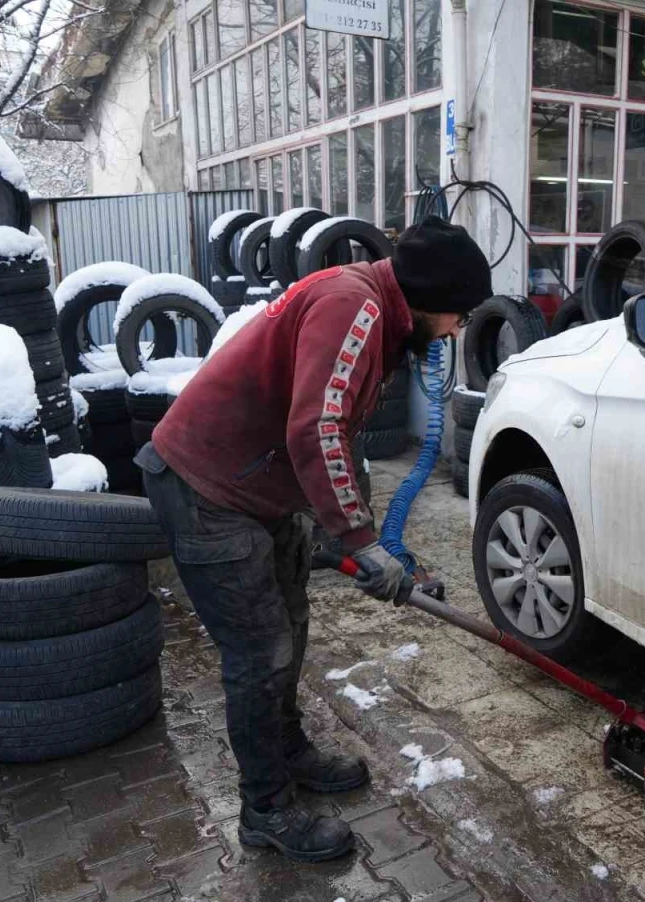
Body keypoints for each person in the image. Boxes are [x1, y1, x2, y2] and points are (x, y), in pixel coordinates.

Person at [136, 217, 493, 862]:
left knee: (290, 630)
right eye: (456, 316)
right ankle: (265, 809)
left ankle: (291, 752)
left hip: (257, 490)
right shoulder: (352, 305)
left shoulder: (376, 309)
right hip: (207, 489)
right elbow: (317, 429)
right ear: (427, 299)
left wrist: (350, 531)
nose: (454, 331)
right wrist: (358, 537)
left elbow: (337, 430)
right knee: (259, 654)